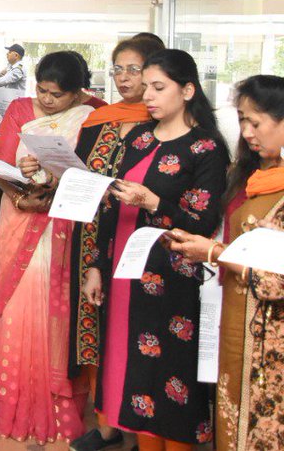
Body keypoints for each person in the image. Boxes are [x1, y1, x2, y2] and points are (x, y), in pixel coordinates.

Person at [81, 49, 228, 451]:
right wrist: (96, 266)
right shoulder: (140, 138)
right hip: (124, 272)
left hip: (172, 280)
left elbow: (201, 224)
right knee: (135, 376)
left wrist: (153, 202)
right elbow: (111, 207)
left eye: (158, 87)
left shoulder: (206, 148)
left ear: (187, 90)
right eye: (146, 86)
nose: (147, 95)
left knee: (170, 377)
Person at [166, 74, 284, 451]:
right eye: (242, 120)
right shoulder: (249, 175)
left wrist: (214, 253)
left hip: (272, 336)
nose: (247, 133)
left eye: (256, 122)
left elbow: (275, 278)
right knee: (231, 412)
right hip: (235, 312)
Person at [0, 51, 96, 443]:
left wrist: (56, 180)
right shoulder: (20, 109)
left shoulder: (93, 114)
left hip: (65, 223)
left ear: (78, 93)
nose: (47, 100)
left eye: (57, 94)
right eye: (42, 90)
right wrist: (22, 189)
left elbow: (95, 172)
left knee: (58, 311)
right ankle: (15, 403)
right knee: (18, 305)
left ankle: (57, 412)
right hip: (20, 214)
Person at [66, 35, 163, 451]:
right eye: (118, 69)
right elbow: (78, 169)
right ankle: (107, 424)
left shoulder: (163, 122)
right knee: (92, 327)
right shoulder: (98, 120)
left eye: (134, 69)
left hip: (137, 240)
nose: (124, 78)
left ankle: (141, 426)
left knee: (136, 330)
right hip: (90, 236)